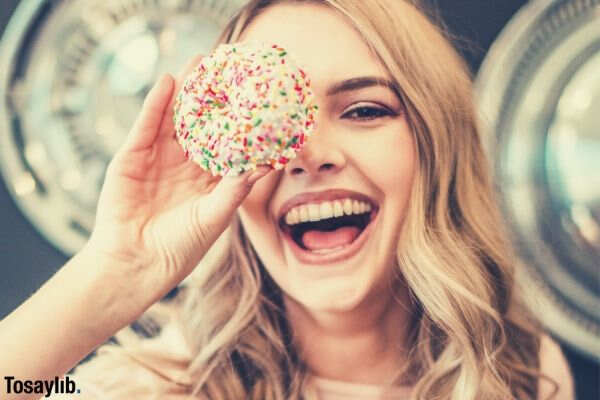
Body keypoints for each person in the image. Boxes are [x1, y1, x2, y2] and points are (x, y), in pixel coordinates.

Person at [0, 0, 576, 399]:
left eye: (364, 110)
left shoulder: (522, 371)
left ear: (434, 144)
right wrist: (116, 272)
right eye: (268, 121)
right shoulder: (155, 384)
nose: (307, 153)